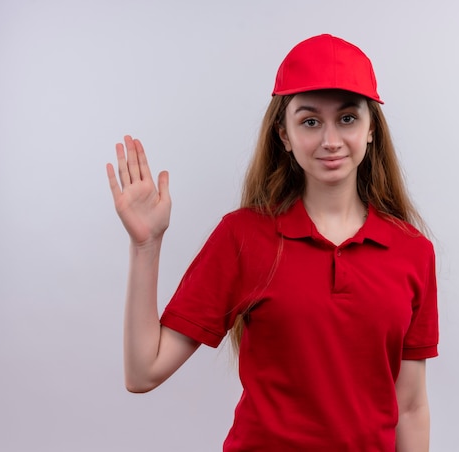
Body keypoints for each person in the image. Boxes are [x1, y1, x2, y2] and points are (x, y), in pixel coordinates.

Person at [106, 34, 439, 452]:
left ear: (371, 129)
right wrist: (145, 247)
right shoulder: (243, 237)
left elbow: (409, 407)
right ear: (284, 134)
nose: (330, 140)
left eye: (348, 118)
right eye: (310, 121)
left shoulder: (412, 251)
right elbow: (143, 372)